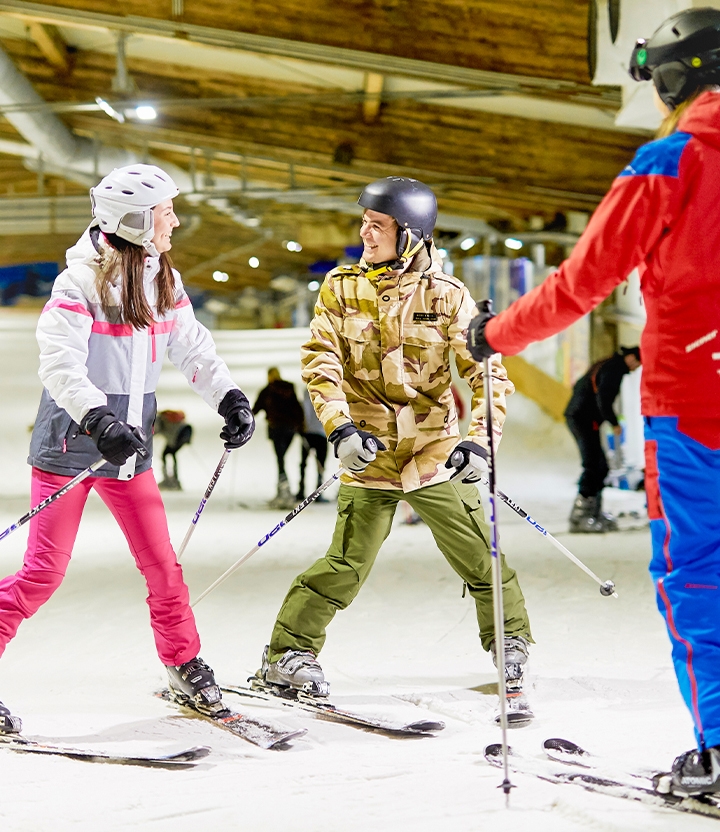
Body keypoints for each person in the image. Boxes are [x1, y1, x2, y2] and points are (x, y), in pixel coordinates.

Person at [466, 7, 720, 796]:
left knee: (700, 574)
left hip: (694, 412)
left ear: (678, 77)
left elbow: (581, 285)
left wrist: (492, 334)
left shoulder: (671, 160)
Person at [0, 164, 255, 732]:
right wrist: (97, 417)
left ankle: (184, 662)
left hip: (129, 449)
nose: (175, 222)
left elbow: (193, 348)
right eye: (166, 213)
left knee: (164, 566)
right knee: (42, 575)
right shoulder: (78, 283)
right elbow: (59, 363)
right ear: (136, 221)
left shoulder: (164, 279)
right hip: (73, 443)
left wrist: (229, 395)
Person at [257, 176, 533, 699]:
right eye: (363, 220)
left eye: (377, 223)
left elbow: (486, 371)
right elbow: (321, 360)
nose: (365, 230)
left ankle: (510, 643)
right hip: (371, 451)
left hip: (432, 452)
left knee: (479, 554)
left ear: (409, 234)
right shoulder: (341, 287)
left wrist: (479, 438)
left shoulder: (447, 296)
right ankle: (287, 653)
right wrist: (339, 426)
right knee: (345, 563)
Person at [565, 346, 642, 533]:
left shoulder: (608, 364)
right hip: (583, 418)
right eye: (638, 363)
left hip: (582, 415)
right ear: (631, 358)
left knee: (601, 466)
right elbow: (604, 398)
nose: (636, 368)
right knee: (593, 465)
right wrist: (613, 422)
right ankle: (581, 515)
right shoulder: (614, 369)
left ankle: (593, 512)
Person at [253, 367, 304, 509]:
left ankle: (283, 487)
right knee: (281, 457)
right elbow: (297, 407)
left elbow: (256, 409)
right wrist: (300, 426)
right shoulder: (289, 387)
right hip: (290, 429)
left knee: (280, 457)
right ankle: (284, 486)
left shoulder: (267, 391)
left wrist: (242, 420)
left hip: (277, 429)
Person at [297, 388, 329, 501]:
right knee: (320, 462)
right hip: (320, 432)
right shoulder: (326, 390)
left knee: (304, 463)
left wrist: (304, 425)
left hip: (310, 432)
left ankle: (302, 489)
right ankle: (318, 491)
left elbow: (305, 408)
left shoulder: (308, 391)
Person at [155, 409, 193, 490]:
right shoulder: (164, 416)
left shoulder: (159, 419)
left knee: (166, 455)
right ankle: (173, 479)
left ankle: (169, 480)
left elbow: (155, 430)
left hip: (177, 437)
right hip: (185, 432)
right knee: (170, 454)